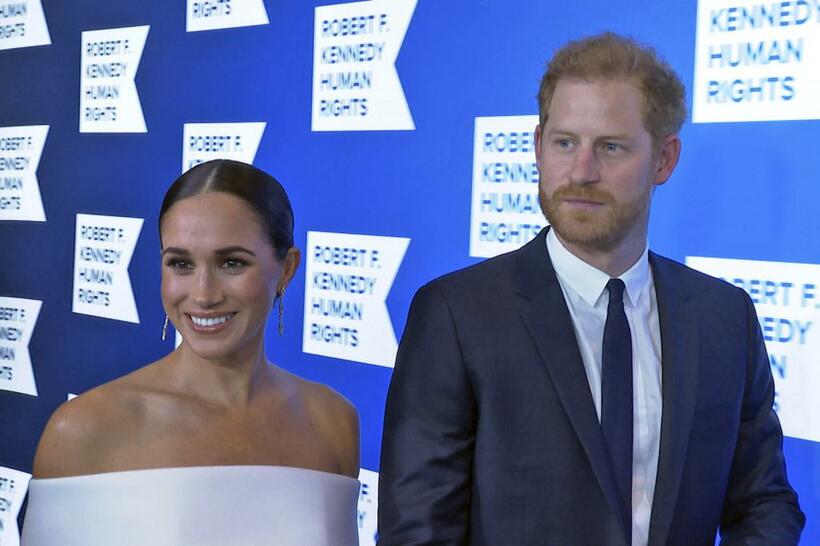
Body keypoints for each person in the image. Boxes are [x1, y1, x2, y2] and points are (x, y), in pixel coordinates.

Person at [378, 33, 804, 546]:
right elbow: (418, 530)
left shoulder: (724, 316)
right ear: (537, 147)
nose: (581, 172)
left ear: (664, 160)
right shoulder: (455, 315)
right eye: (564, 143)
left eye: (610, 147)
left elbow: (765, 501)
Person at [23, 160, 360, 546]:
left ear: (286, 269)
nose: (203, 294)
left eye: (231, 262)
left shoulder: (334, 423)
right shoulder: (82, 431)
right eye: (181, 264)